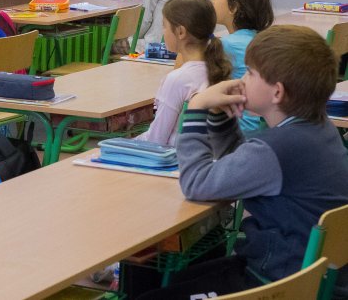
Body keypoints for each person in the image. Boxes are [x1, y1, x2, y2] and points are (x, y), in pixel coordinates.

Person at [137, 25, 348, 299]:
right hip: (312, 275)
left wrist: (196, 109)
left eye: (249, 73)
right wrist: (220, 117)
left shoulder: (277, 148)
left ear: (277, 93)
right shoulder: (320, 129)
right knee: (179, 278)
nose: (241, 80)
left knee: (151, 296)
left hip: (281, 285)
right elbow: (242, 167)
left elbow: (196, 185)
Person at [137, 0, 231, 146]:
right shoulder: (219, 68)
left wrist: (121, 143)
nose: (163, 31)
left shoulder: (177, 79)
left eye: (164, 26)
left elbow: (156, 140)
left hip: (175, 156)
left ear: (180, 32)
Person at [211, 0, 274, 132]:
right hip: (263, 127)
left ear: (233, 7)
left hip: (238, 131)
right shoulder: (258, 38)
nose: (212, 0)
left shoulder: (227, 45)